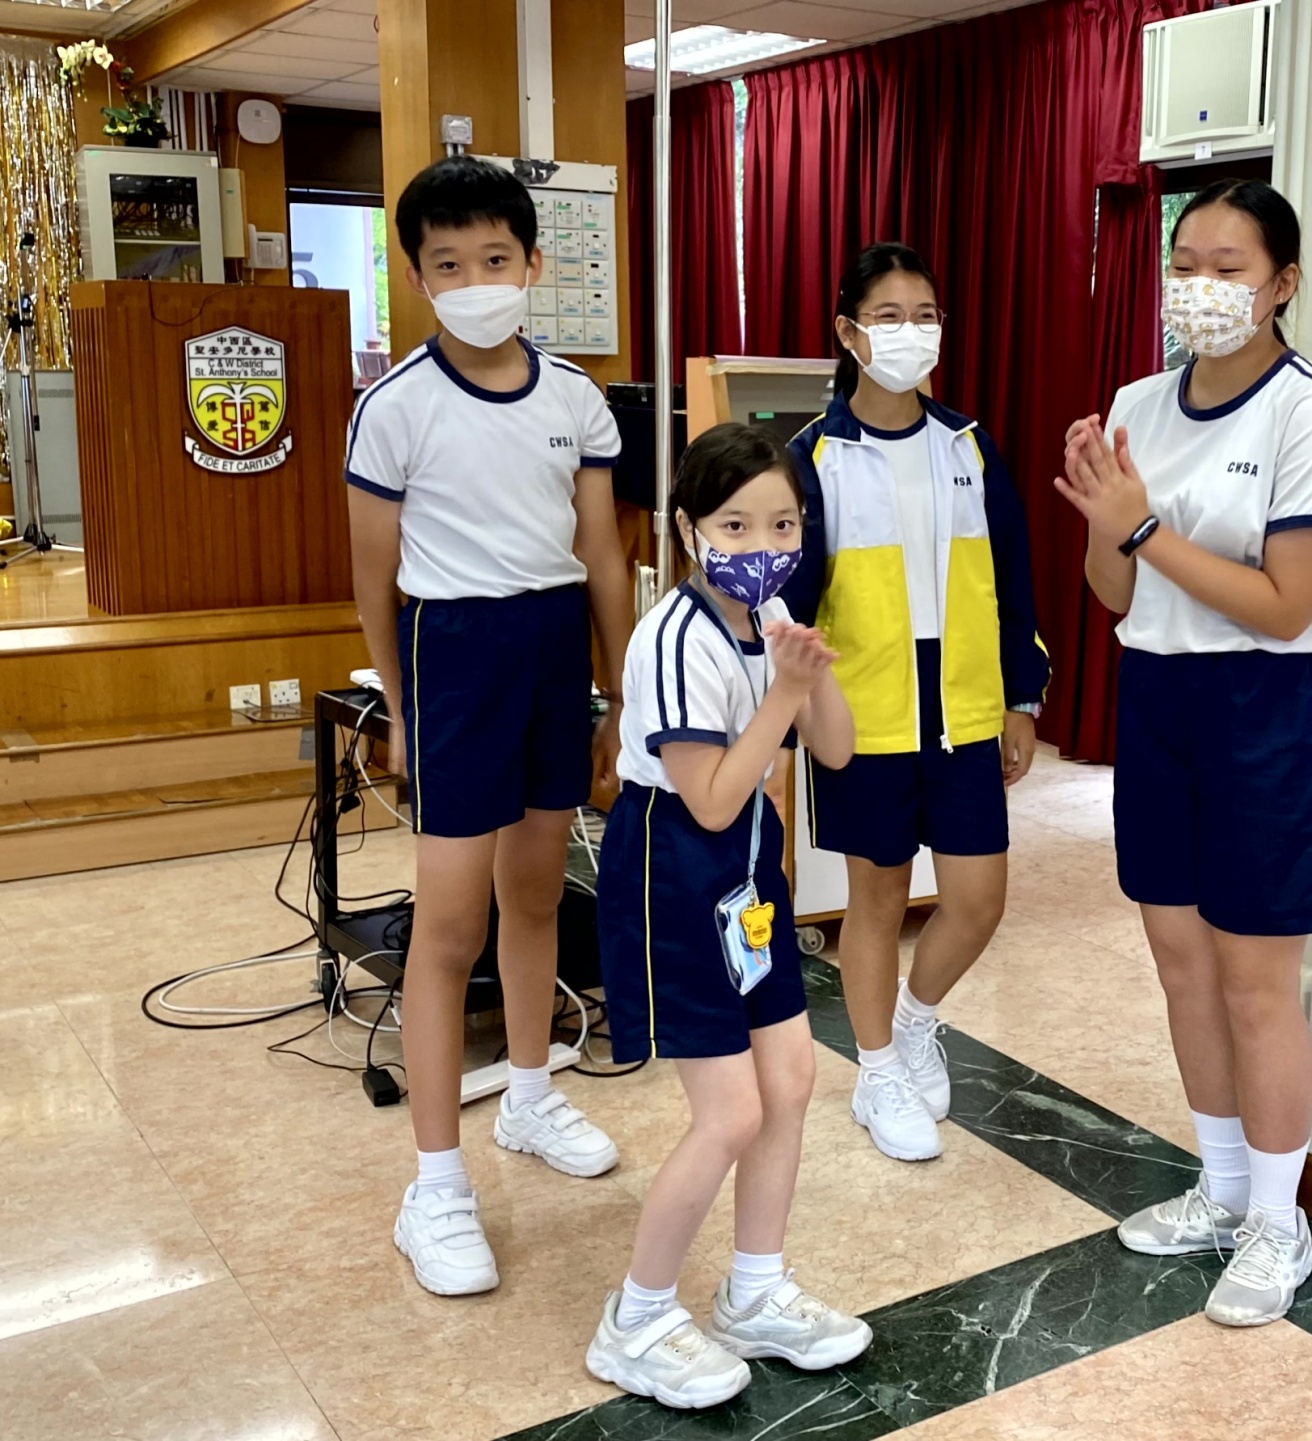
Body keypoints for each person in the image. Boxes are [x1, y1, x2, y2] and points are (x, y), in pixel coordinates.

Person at [1056, 180, 1312, 1328]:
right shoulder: (1141, 400)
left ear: (1282, 284)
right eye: (1185, 262)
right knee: (1181, 961)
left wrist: (1143, 525)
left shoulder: (1309, 412)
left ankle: (1281, 1224)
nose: (1201, 285)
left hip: (1275, 704)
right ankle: (1224, 1186)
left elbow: (1288, 604)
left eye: (1229, 267)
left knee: (1253, 978)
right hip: (1161, 691)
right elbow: (1114, 589)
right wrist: (1109, 526)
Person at [345, 155, 633, 1297]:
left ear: (533, 265)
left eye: (495, 259)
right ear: (419, 278)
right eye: (450, 264)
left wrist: (623, 694)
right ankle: (435, 1185)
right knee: (449, 921)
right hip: (453, 654)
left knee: (536, 892)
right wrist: (400, 705)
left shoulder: (575, 399)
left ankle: (528, 1093)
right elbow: (374, 580)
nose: (475, 281)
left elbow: (601, 554)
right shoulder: (394, 407)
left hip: (555, 648)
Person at [585, 424, 867, 1409]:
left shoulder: (775, 613)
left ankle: (754, 1291)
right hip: (673, 870)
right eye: (735, 525)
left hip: (747, 876)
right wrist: (783, 695)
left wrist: (809, 675)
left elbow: (837, 749)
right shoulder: (672, 639)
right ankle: (636, 1318)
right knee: (732, 1110)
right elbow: (707, 798)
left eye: (783, 524)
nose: (762, 544)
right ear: (687, 530)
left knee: (790, 1078)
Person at [783, 243, 1050, 1163]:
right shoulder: (811, 458)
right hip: (866, 717)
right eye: (888, 315)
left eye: (925, 314)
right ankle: (877, 1071)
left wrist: (1021, 697)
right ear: (848, 332)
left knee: (977, 899)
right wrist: (795, 716)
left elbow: (1012, 580)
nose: (911, 331)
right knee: (878, 898)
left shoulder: (967, 444)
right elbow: (791, 605)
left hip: (965, 708)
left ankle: (914, 1019)